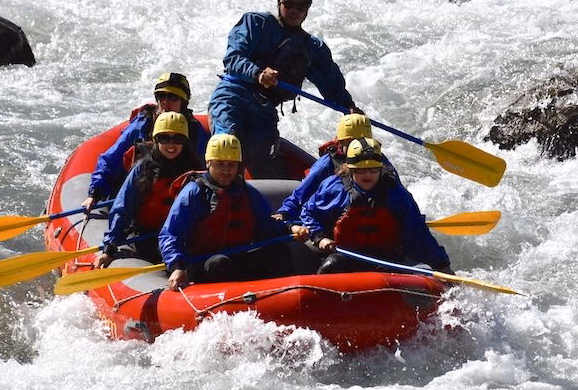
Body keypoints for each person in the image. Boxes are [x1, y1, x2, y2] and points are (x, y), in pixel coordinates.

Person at [207, 0, 359, 178]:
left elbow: (331, 85)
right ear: (279, 2)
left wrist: (348, 107)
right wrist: (257, 73)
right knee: (226, 145)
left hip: (264, 111)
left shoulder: (313, 48)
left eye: (301, 5)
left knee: (267, 168)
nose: (294, 10)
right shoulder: (255, 23)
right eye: (288, 3)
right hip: (234, 95)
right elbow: (232, 58)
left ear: (308, 8)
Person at [160, 134, 309, 290]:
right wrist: (176, 266)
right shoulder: (194, 192)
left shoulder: (246, 191)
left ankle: (286, 298)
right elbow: (170, 234)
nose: (226, 171)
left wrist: (290, 228)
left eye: (231, 165)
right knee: (220, 263)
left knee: (279, 252)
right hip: (203, 263)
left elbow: (268, 225)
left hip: (240, 257)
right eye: (220, 164)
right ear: (208, 163)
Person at [300, 137, 452, 274]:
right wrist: (319, 238)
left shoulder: (396, 194)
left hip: (386, 259)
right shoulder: (335, 188)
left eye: (373, 169)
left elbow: (418, 231)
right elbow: (308, 212)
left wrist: (442, 265)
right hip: (345, 257)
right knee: (330, 265)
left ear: (381, 168)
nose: (368, 175)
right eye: (361, 170)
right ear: (351, 169)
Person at [83, 72, 210, 210]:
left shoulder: (194, 130)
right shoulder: (144, 123)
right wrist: (94, 193)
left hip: (176, 196)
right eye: (162, 97)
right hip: (141, 190)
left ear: (183, 102)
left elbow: (204, 168)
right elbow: (112, 158)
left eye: (173, 98)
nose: (166, 102)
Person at [94, 112, 204, 268]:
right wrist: (109, 248)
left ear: (185, 141)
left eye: (177, 139)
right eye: (164, 138)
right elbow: (123, 206)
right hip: (145, 236)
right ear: (156, 140)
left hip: (180, 236)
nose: (171, 145)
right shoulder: (144, 168)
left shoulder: (194, 170)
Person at [273, 113, 398, 223]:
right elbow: (303, 191)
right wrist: (285, 213)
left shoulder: (378, 160)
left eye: (361, 141)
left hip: (373, 219)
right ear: (340, 142)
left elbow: (398, 190)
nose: (356, 146)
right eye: (351, 142)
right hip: (337, 218)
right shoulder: (328, 163)